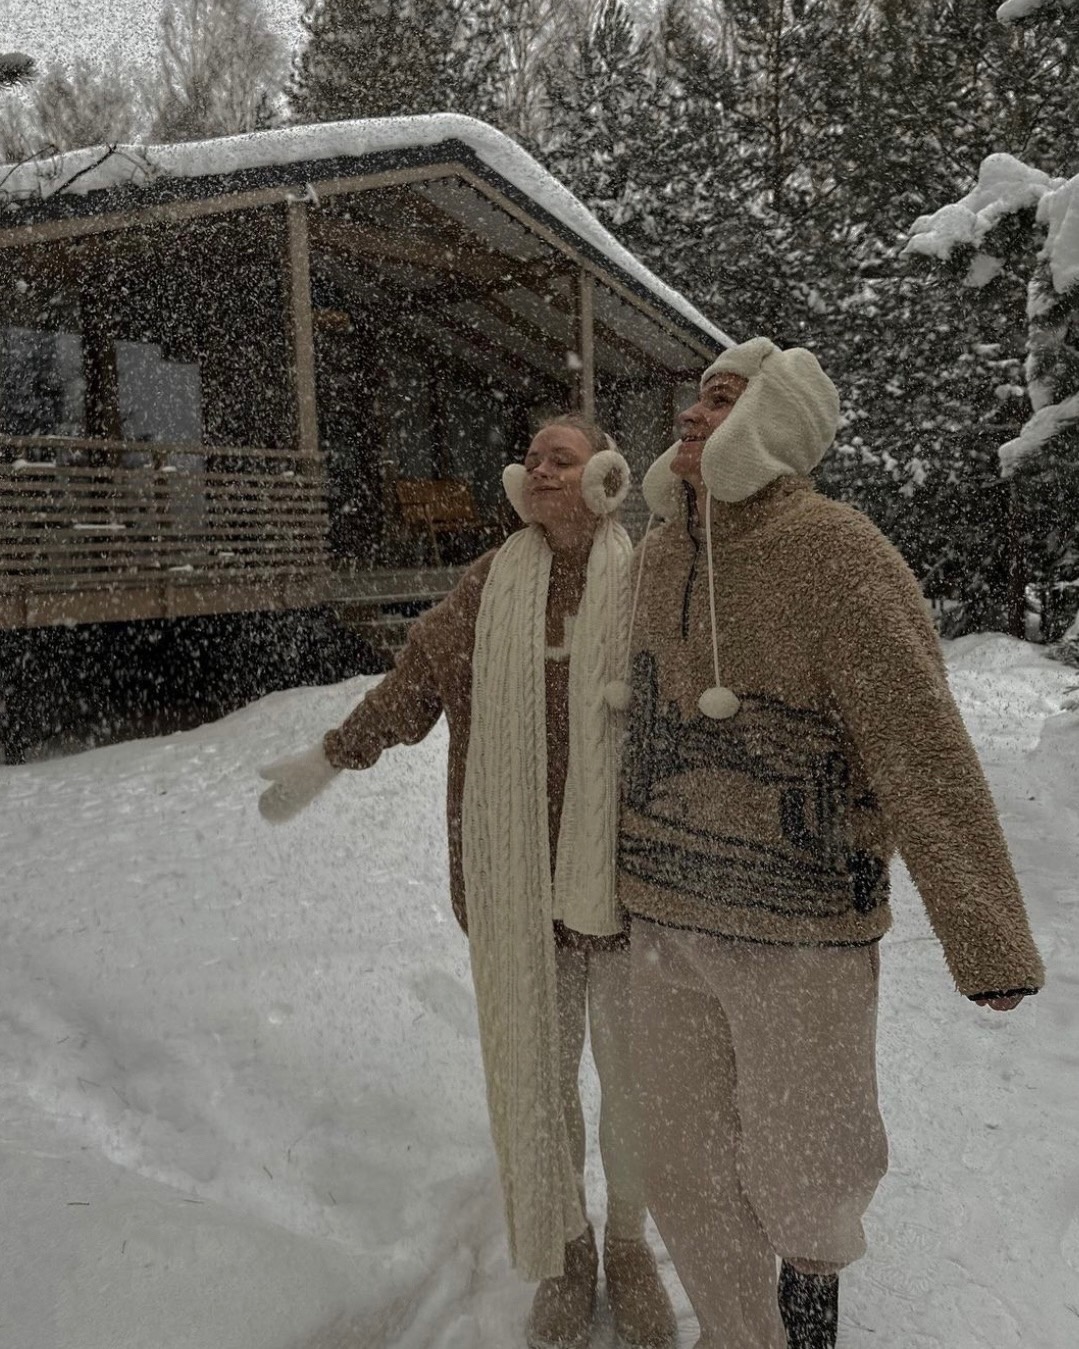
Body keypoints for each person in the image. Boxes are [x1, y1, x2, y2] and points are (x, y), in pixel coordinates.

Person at [610, 337, 1046, 1349]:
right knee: (679, 1163)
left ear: (774, 422)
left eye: (721, 400)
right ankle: (741, 1334)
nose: (690, 415)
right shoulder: (660, 553)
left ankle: (808, 1289)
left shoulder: (838, 553)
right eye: (695, 397)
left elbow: (918, 744)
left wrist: (983, 935)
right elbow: (618, 724)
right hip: (661, 914)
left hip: (801, 929)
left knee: (809, 1165)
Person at [257, 415, 677, 1349]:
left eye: (560, 458)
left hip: (630, 888)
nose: (539, 469)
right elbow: (414, 685)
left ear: (606, 476)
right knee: (540, 1084)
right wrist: (332, 754)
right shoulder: (491, 583)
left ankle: (629, 1244)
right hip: (517, 892)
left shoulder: (649, 579)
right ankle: (565, 1250)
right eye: (531, 459)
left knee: (636, 1087)